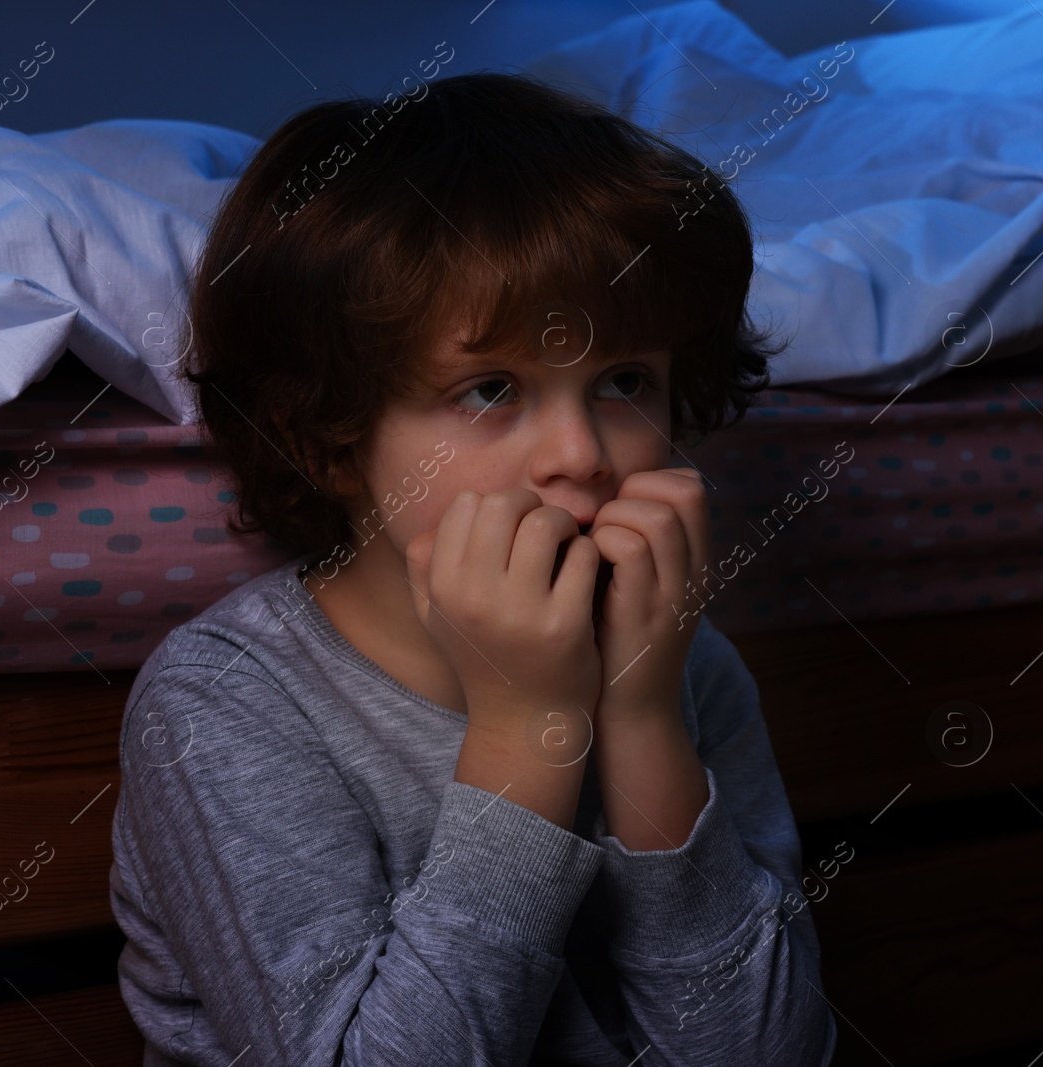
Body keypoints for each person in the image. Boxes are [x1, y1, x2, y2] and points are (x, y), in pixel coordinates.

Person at [109, 69, 835, 1066]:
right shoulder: (226, 702)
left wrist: (639, 715)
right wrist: (523, 729)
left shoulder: (685, 666)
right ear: (325, 436)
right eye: (491, 389)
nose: (580, 453)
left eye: (625, 380)